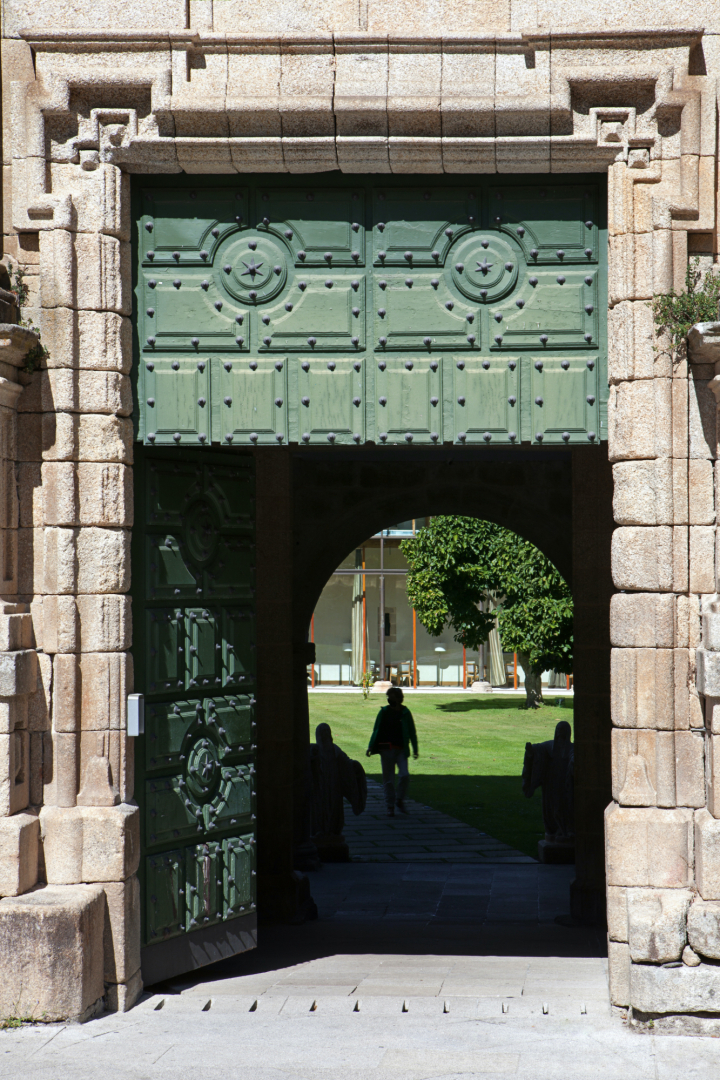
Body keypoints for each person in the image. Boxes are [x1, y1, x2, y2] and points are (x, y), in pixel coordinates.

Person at [366, 686, 418, 816]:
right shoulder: (384, 712)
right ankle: (390, 806)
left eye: (392, 698)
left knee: (404, 775)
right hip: (387, 750)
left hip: (401, 750)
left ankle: (399, 799)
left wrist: (415, 749)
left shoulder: (405, 713)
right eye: (389, 698)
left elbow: (412, 732)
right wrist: (371, 746)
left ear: (399, 699)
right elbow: (376, 730)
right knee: (388, 780)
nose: (389, 700)